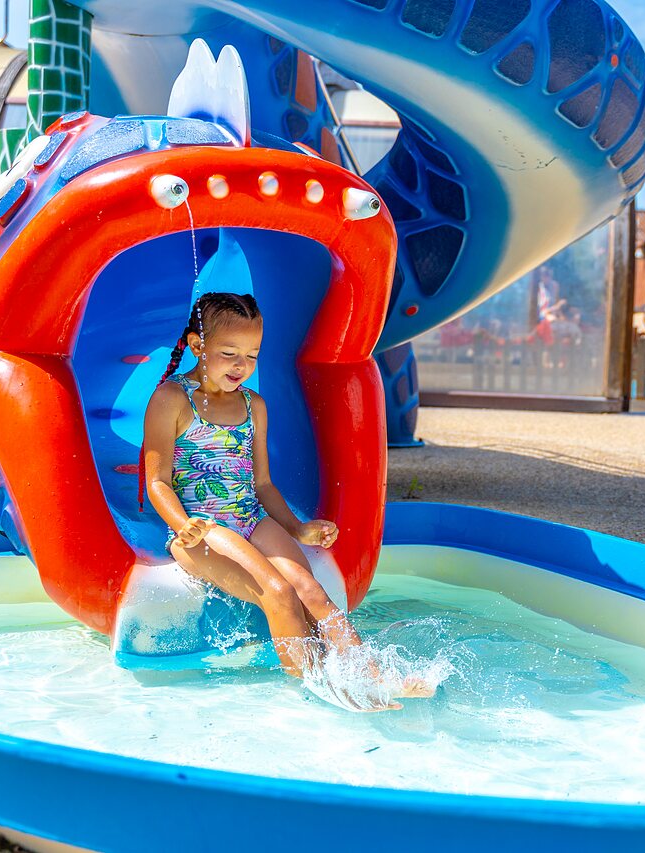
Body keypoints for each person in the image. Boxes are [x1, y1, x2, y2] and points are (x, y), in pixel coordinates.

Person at [142, 292, 433, 710]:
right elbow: (157, 481)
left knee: (310, 589)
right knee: (277, 591)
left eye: (252, 355)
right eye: (229, 353)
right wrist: (181, 524)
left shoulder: (253, 405)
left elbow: (262, 484)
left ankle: (369, 674)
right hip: (204, 527)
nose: (241, 366)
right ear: (196, 345)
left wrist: (297, 528)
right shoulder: (172, 399)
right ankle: (320, 688)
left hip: (251, 517)